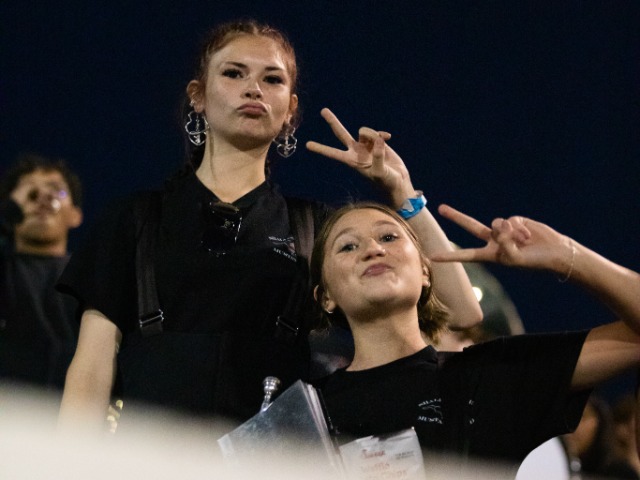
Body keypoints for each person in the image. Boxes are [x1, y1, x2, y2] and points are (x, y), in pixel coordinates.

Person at [57, 19, 481, 433]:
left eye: (272, 79)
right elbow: (92, 366)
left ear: (290, 110)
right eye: (234, 73)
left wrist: (402, 191)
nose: (253, 89)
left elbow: (461, 312)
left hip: (274, 461)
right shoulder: (135, 218)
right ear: (198, 96)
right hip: (147, 457)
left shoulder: (315, 228)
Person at [310, 202, 640, 468]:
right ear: (325, 296)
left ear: (425, 272)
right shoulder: (308, 412)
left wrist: (566, 255)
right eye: (348, 246)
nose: (373, 249)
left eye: (388, 237)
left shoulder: (491, 375)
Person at [0, 153, 83, 391]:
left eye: (57, 190)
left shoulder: (93, 278)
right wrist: (11, 210)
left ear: (75, 215)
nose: (43, 197)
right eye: (30, 191)